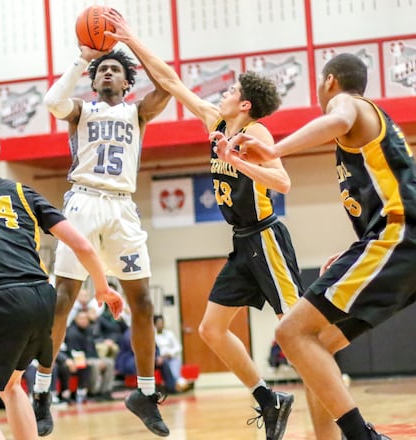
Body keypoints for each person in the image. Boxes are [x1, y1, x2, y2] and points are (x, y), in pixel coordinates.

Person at [219, 53, 416, 440]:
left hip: (400, 238)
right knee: (317, 344)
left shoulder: (350, 104)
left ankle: (362, 436)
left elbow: (338, 119)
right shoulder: (368, 135)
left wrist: (274, 151)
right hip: (404, 248)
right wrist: (353, 251)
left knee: (290, 332)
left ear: (330, 82)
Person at [105, 11, 301, 440]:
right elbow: (171, 82)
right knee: (212, 329)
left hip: (267, 237)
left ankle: (336, 410)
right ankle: (269, 400)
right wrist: (132, 40)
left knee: (298, 332)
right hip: (242, 242)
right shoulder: (215, 120)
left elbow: (283, 181)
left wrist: (236, 162)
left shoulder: (258, 134)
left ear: (245, 104)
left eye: (232, 90)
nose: (225, 92)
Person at [0, 117, 123, 440]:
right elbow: (82, 243)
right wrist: (101, 287)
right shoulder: (22, 191)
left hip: (0, 300)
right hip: (43, 297)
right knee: (12, 385)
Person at [35, 27, 172, 437]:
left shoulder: (138, 112)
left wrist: (131, 46)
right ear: (93, 80)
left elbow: (167, 84)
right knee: (62, 299)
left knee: (144, 302)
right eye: (102, 70)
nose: (107, 74)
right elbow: (51, 101)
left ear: (128, 82)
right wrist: (83, 58)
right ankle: (42, 390)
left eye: (115, 70)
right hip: (83, 201)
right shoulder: (80, 110)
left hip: (123, 207)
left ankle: (144, 394)